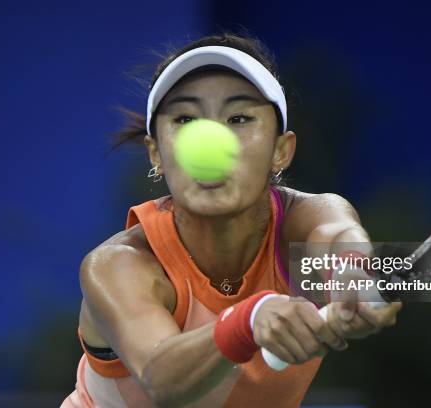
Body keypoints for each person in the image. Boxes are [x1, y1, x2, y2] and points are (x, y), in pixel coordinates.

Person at [61, 32, 401, 408]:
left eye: (238, 117)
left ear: (281, 150)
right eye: (186, 118)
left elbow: (338, 236)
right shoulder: (117, 265)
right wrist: (248, 320)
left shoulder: (304, 221)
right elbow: (162, 377)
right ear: (156, 153)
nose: (211, 138)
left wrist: (351, 272)